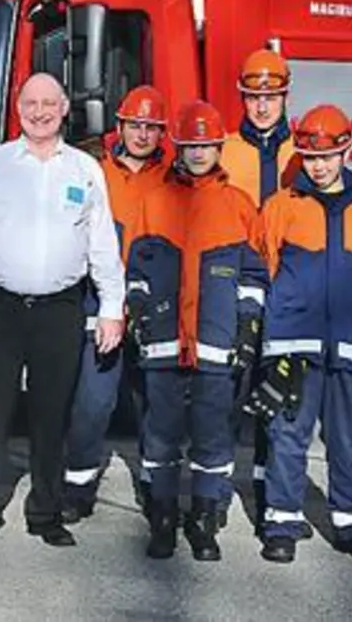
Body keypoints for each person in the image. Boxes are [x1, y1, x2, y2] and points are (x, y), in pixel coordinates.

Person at [0, 73, 127, 550]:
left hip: (61, 309)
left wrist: (112, 307)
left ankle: (47, 513)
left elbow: (102, 244)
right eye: (30, 103)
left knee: (51, 414)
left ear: (65, 107)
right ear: (16, 106)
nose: (39, 111)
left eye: (48, 103)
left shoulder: (84, 170)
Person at [248, 104, 352, 565]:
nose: (319, 165)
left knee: (350, 440)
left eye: (328, 155)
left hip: (347, 344)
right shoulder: (279, 208)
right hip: (294, 345)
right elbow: (264, 268)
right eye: (310, 156)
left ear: (347, 150)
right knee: (288, 437)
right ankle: (281, 525)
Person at [127, 100, 269, 562]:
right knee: (161, 435)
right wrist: (139, 312)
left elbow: (252, 277)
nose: (200, 153)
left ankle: (205, 520)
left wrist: (248, 328)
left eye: (208, 145)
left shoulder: (238, 206)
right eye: (192, 145)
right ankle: (163, 517)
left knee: (213, 437)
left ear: (218, 147)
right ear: (180, 146)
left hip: (216, 344)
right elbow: (138, 271)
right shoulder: (156, 201)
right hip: (164, 343)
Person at [61, 85, 168, 524]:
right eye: (135, 125)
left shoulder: (173, 178)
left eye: (151, 127)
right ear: (119, 125)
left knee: (154, 405)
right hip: (100, 301)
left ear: (162, 133)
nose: (142, 134)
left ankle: (155, 487)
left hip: (153, 305)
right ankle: (78, 486)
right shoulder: (92, 171)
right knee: (93, 401)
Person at [218, 48, 306, 537]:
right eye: (254, 96)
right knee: (231, 396)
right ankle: (218, 495)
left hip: (290, 295)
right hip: (237, 291)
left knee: (282, 400)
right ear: (243, 97)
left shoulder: (307, 153)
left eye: (271, 96)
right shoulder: (227, 151)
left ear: (285, 95)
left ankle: (271, 499)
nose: (263, 106)